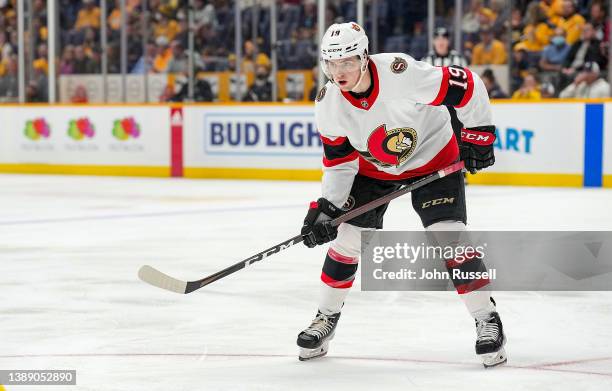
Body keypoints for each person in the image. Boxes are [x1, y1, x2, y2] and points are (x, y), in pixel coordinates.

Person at [298, 22, 507, 368]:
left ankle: (487, 318)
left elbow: (468, 85)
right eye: (331, 64)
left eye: (347, 62)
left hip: (433, 158)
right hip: (373, 170)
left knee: (449, 236)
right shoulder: (328, 104)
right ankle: (325, 317)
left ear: (364, 57)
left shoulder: (401, 72)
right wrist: (327, 208)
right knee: (348, 238)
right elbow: (339, 162)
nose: (339, 72)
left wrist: (479, 131)